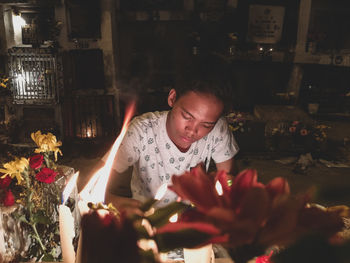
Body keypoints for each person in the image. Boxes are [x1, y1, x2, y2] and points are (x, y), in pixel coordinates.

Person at [104, 55, 239, 215]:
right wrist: (118, 202)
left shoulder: (218, 129)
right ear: (172, 98)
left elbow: (229, 178)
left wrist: (224, 184)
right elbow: (93, 186)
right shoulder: (142, 131)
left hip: (192, 219)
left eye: (206, 125)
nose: (192, 131)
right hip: (146, 220)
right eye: (187, 116)